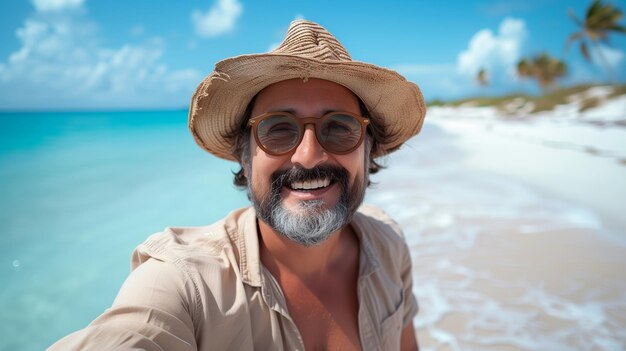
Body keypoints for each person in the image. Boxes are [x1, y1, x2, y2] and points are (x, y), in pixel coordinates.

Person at [50, 20, 426, 351]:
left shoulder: (388, 245)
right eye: (278, 129)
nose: (309, 156)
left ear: (367, 150)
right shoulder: (186, 284)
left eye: (340, 128)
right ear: (244, 159)